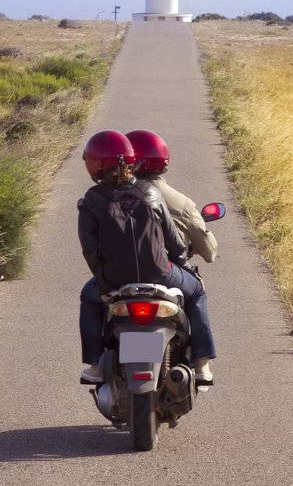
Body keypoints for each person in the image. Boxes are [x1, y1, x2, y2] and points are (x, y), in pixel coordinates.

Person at [77, 129, 218, 387]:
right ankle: (202, 363)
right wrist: (187, 270)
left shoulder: (90, 201)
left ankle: (95, 364)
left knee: (88, 297)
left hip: (115, 281)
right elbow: (174, 243)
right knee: (197, 292)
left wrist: (106, 285)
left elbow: (91, 252)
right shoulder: (150, 193)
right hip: (161, 274)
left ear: (97, 163)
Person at [126, 128, 218, 267]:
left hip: (119, 275)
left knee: (89, 289)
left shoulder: (106, 197)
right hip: (167, 273)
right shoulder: (183, 204)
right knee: (197, 288)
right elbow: (209, 253)